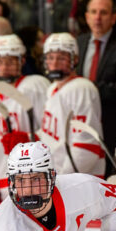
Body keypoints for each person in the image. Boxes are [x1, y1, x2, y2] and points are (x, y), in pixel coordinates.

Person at [0, 34, 50, 214]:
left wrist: (28, 138)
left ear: (22, 61)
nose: (5, 67)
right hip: (4, 187)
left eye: (10, 61)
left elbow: (50, 130)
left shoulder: (34, 86)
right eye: (0, 62)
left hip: (34, 185)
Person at [76, 0, 116, 165]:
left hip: (112, 125)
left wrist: (89, 89)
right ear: (87, 17)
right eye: (93, 12)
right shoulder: (79, 42)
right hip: (83, 124)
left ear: (114, 17)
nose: (98, 18)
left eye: (103, 12)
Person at [39, 32, 105, 178]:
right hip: (58, 176)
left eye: (61, 58)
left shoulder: (82, 88)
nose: (54, 63)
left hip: (80, 180)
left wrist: (63, 179)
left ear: (74, 59)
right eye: (50, 57)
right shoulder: (52, 89)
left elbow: (86, 145)